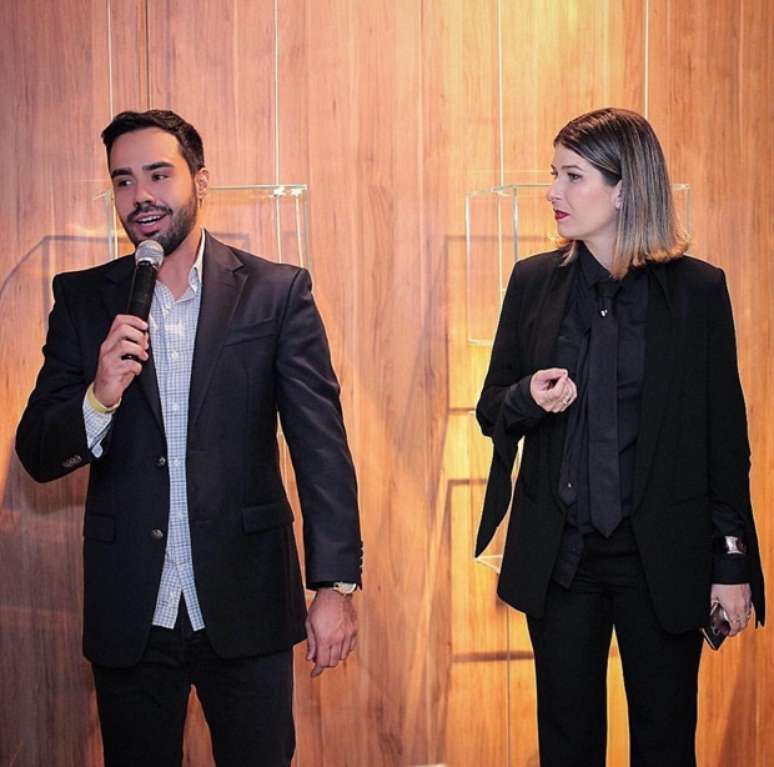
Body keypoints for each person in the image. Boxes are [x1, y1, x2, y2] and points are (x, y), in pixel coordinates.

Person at [16, 109, 362, 767]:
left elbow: (321, 447)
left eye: (158, 174)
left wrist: (334, 586)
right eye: (122, 180)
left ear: (200, 180)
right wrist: (99, 396)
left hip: (247, 598)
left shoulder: (275, 291)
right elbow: (36, 452)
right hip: (132, 611)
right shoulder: (85, 300)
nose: (139, 196)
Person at [475, 108, 765, 767]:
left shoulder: (698, 292)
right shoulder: (532, 282)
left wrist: (731, 565)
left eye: (572, 176)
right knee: (566, 746)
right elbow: (492, 408)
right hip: (562, 561)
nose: (553, 192)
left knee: (665, 745)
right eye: (554, 174)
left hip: (660, 560)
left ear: (624, 188)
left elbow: (725, 441)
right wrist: (528, 398)